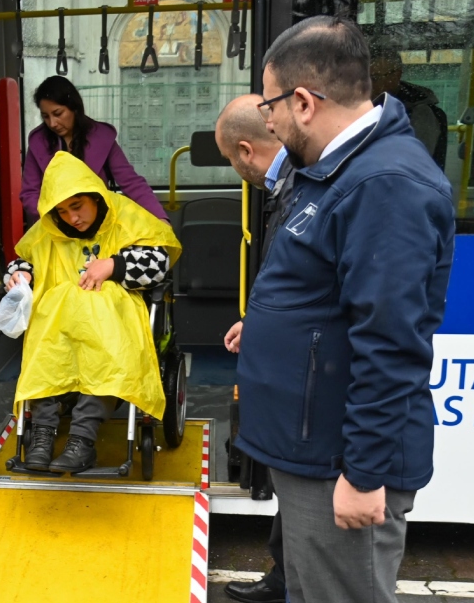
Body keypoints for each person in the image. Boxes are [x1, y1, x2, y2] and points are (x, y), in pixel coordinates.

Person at [237, 16, 455, 603]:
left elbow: (390, 343)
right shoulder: (338, 173)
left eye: (271, 108)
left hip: (335, 459)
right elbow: (321, 297)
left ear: (303, 101)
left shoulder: (383, 184)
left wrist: (363, 474)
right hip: (314, 449)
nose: (271, 124)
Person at [5, 151, 180, 473]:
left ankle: (82, 442)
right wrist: (20, 275)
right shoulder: (48, 231)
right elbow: (22, 258)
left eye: (77, 206)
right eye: (61, 211)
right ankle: (43, 437)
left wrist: (114, 265)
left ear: (97, 198)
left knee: (104, 357)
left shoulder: (127, 217)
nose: (72, 218)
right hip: (58, 322)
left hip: (111, 318)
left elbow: (159, 263)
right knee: (45, 355)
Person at [214, 94, 294, 603]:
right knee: (294, 489)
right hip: (284, 350)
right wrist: (257, 322)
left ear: (246, 150)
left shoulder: (305, 185)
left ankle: (289, 584)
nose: (234, 170)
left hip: (302, 371)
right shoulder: (291, 184)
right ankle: (282, 580)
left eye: (229, 160)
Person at [22, 75, 168, 222]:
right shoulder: (38, 142)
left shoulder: (101, 137)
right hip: (55, 227)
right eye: (45, 116)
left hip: (100, 226)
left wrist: (160, 218)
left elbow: (132, 183)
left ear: (74, 108)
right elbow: (29, 193)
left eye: (58, 114)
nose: (52, 123)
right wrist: (58, 217)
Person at [369, 47, 449, 168]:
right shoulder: (363, 105)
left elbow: (412, 164)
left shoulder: (420, 113)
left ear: (396, 76)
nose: (366, 85)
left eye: (374, 78)